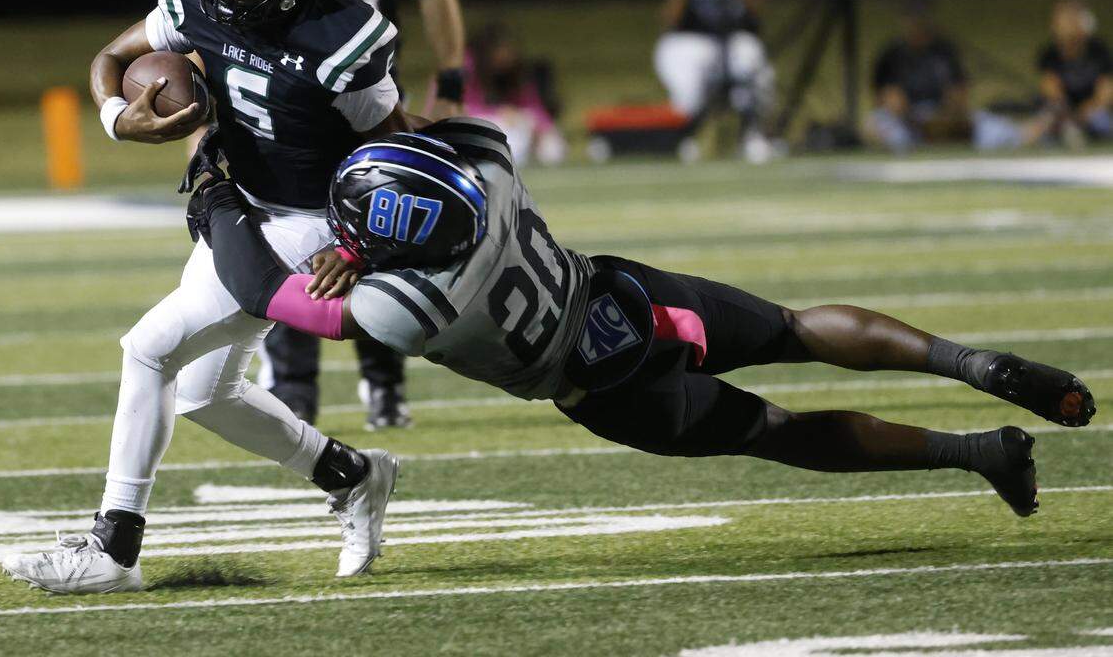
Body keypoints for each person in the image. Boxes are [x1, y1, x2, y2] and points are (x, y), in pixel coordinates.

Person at [189, 121, 1096, 547]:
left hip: (609, 388)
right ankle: (968, 361)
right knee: (794, 326)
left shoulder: (401, 307)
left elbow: (261, 287)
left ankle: (976, 453)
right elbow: (427, 131)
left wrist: (214, 187)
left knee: (778, 432)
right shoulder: (491, 167)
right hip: (625, 293)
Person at [1, 0, 404, 595]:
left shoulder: (338, 36)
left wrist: (355, 244)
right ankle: (354, 476)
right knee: (202, 393)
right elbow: (113, 58)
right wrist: (117, 118)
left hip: (307, 223)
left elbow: (397, 156)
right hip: (235, 204)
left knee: (148, 350)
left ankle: (113, 546)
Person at [207, 0, 468, 428]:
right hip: (274, 96)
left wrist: (452, 78)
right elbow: (210, 3)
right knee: (284, 231)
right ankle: (293, 387)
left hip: (363, 87)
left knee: (376, 226)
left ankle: (384, 379)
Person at [654, 0, 775, 162]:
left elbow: (756, 11)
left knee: (751, 57)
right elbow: (670, 17)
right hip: (688, 41)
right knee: (689, 92)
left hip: (729, 39)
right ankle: (685, 137)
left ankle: (752, 134)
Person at [865, 0, 971, 152]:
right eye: (912, 18)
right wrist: (905, 115)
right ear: (904, 21)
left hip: (939, 117)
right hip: (903, 120)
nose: (918, 23)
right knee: (879, 128)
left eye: (922, 17)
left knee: (991, 128)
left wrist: (948, 115)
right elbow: (884, 98)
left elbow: (959, 91)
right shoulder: (892, 53)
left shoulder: (944, 50)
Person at [463, 22, 566, 165]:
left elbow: (533, 105)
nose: (508, 55)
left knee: (553, 148)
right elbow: (459, 108)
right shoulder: (466, 66)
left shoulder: (514, 71)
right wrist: (498, 112)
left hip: (513, 123)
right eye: (503, 49)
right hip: (472, 125)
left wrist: (542, 128)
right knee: (511, 141)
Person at [1036, 0, 1113, 146]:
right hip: (1064, 112)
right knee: (1045, 126)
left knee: (1101, 122)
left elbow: (1106, 92)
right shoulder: (1050, 54)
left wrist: (1086, 112)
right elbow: (1051, 91)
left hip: (1092, 109)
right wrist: (1067, 116)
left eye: (1070, 20)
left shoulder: (1098, 50)